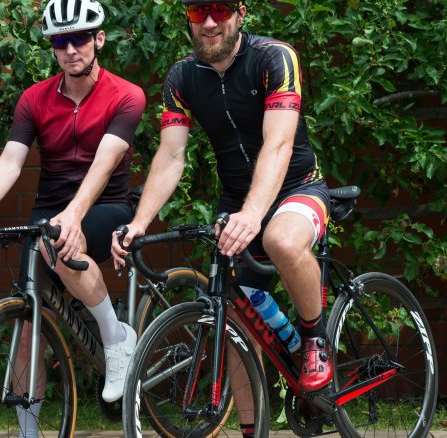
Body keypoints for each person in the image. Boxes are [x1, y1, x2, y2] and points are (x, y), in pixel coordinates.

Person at [112, 0, 332, 436]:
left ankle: (315, 337)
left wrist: (253, 215)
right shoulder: (182, 77)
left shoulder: (274, 57)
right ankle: (252, 429)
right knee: (231, 315)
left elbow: (278, 145)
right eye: (198, 12)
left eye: (220, 9)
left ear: (241, 13)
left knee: (282, 241)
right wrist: (138, 223)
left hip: (298, 187)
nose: (210, 22)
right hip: (236, 198)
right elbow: (172, 154)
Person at [0, 0, 145, 433]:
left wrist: (73, 215)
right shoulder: (34, 99)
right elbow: (10, 164)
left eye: (80, 38)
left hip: (107, 206)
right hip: (48, 213)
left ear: (99, 39)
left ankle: (115, 337)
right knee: (27, 324)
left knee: (60, 237)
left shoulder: (126, 95)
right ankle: (28, 432)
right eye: (61, 41)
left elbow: (106, 160)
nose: (71, 50)